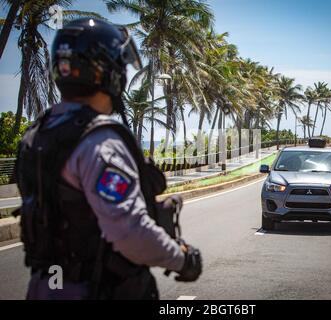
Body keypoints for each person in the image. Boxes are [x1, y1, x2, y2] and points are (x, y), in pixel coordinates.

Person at [14, 18, 202, 300]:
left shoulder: (38, 133)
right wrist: (182, 259)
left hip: (45, 287)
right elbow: (130, 232)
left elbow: (69, 209)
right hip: (97, 290)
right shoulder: (99, 143)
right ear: (110, 73)